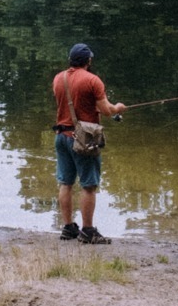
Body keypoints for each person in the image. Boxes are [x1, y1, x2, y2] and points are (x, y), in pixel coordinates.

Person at [52, 42, 126, 244]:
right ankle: (87, 231)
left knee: (65, 183)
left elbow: (74, 103)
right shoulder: (93, 80)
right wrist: (118, 108)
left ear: (71, 60)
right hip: (83, 140)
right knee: (89, 186)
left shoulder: (59, 78)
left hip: (61, 136)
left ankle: (68, 228)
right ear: (89, 60)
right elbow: (106, 110)